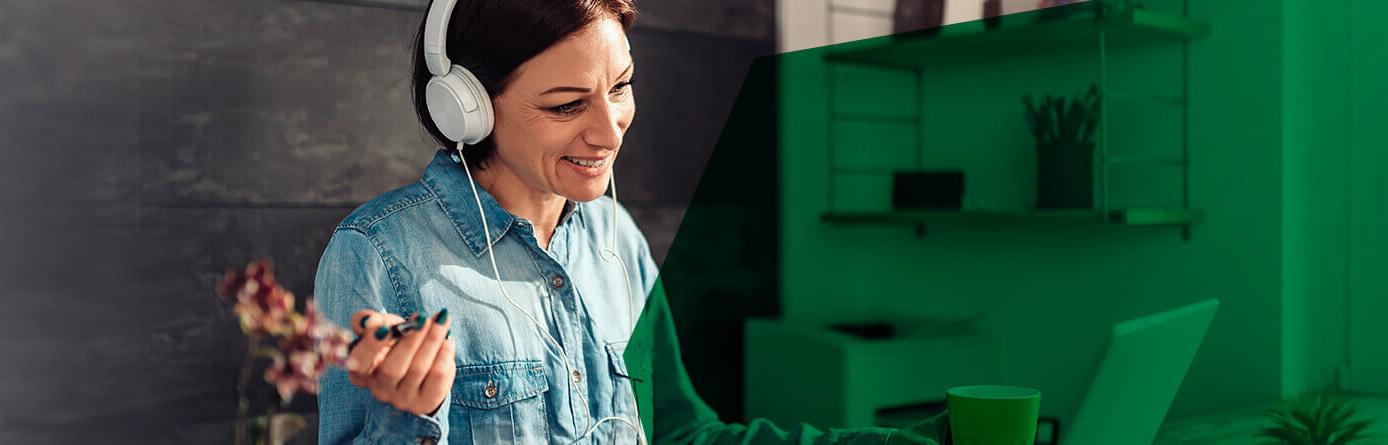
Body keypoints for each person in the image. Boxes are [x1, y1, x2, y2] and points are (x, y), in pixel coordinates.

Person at [313, 0, 951, 443]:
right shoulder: (379, 254)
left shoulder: (617, 241)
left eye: (619, 87)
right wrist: (408, 420)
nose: (609, 131)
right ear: (469, 111)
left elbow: (679, 431)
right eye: (566, 105)